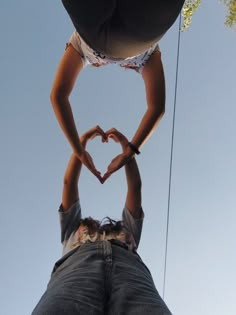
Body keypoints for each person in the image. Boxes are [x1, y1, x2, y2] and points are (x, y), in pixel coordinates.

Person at [32, 126, 172, 315]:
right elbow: (69, 183)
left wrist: (127, 151)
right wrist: (80, 146)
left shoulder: (127, 229)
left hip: (130, 272)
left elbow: (135, 188)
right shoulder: (71, 229)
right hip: (76, 272)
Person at [50, 0, 185, 182]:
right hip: (137, 33)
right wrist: (128, 151)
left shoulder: (80, 48)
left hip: (105, 34)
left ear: (98, 64)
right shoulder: (146, 59)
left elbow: (59, 96)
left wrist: (80, 150)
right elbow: (156, 108)